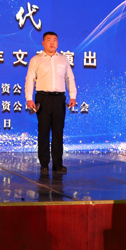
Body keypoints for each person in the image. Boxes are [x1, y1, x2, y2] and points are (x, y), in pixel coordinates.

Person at [25, 32, 77, 174]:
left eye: (55, 40)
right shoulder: (36, 59)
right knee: (43, 131)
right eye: (49, 40)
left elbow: (70, 78)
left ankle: (58, 164)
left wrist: (73, 96)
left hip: (59, 98)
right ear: (43, 43)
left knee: (58, 132)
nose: (52, 43)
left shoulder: (63, 59)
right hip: (42, 98)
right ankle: (44, 164)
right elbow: (30, 79)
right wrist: (29, 98)